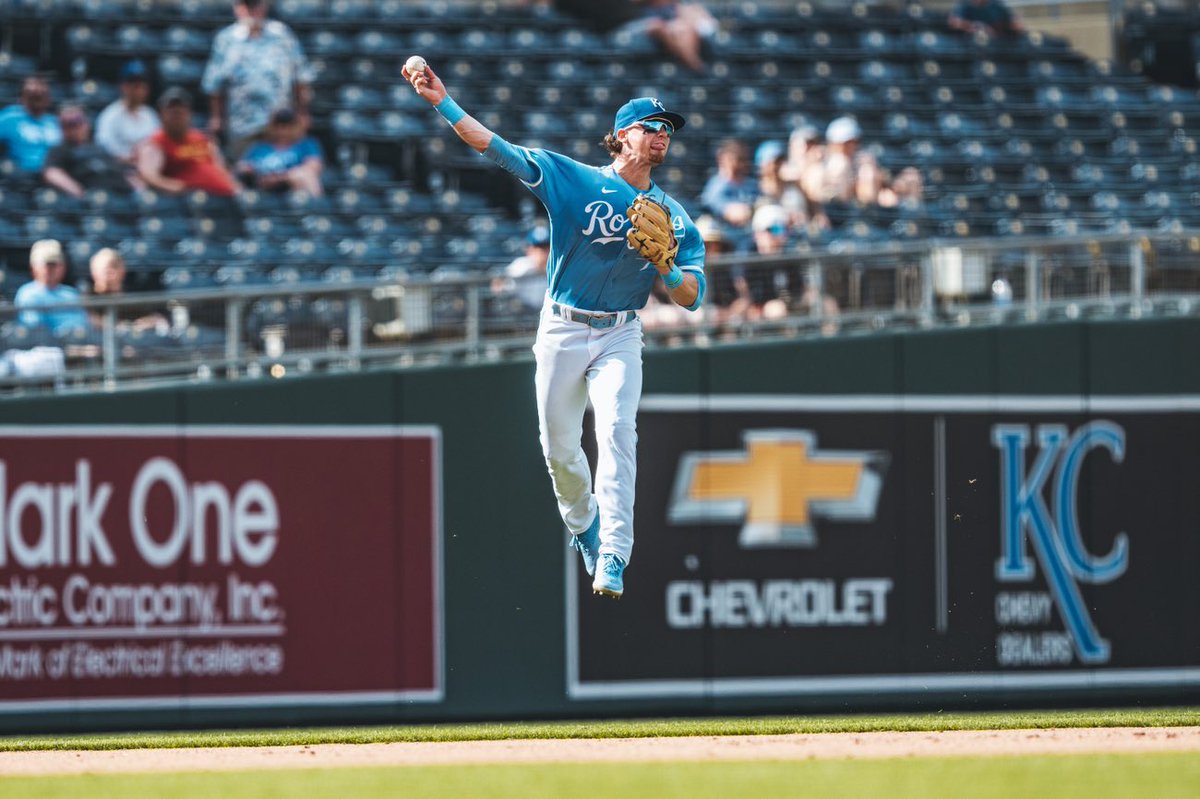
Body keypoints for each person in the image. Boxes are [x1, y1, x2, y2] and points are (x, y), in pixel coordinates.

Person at [403, 62, 706, 598]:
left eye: (668, 129)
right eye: (651, 125)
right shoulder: (574, 178)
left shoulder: (675, 217)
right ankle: (584, 529)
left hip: (620, 332)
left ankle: (614, 551)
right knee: (559, 449)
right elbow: (495, 148)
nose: (662, 134)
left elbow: (692, 298)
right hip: (563, 328)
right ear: (621, 136)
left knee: (616, 431)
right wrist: (442, 102)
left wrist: (668, 268)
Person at [201, 0, 314, 159]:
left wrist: (303, 112)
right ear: (237, 8)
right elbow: (214, 84)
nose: (251, 10)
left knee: (279, 170)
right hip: (242, 125)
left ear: (264, 6)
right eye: (246, 5)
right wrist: (217, 117)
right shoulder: (226, 38)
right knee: (246, 172)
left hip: (279, 124)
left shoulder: (282, 35)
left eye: (256, 5)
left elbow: (301, 77)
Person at [138, 87, 238, 197]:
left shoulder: (203, 139)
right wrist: (173, 186)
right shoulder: (157, 142)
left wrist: (234, 186)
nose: (176, 113)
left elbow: (220, 168)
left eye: (180, 110)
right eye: (171, 110)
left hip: (226, 199)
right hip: (193, 203)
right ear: (161, 114)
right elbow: (148, 174)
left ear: (189, 113)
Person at [42, 105, 141, 198]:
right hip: (94, 199)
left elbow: (120, 169)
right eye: (67, 124)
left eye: (77, 121)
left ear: (86, 124)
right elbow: (52, 174)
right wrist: (79, 193)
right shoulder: (59, 150)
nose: (74, 128)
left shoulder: (99, 148)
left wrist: (139, 189)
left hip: (122, 195)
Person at [235, 107, 323, 195]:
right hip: (263, 191)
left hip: (295, 190)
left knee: (303, 176)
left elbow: (313, 166)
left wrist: (282, 178)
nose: (283, 130)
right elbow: (242, 167)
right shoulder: (260, 147)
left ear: (296, 126)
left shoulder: (306, 144)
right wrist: (253, 171)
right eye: (279, 126)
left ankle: (315, 208)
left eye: (288, 126)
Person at [14, 239, 89, 335]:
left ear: (63, 267)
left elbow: (84, 325)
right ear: (33, 268)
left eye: (55, 265)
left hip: (79, 345)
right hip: (43, 348)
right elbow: (36, 331)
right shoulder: (28, 294)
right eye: (47, 265)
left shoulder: (71, 293)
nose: (50, 270)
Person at [86, 248, 169, 332]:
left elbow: (155, 318)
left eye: (114, 267)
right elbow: (91, 322)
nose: (109, 274)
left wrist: (145, 323)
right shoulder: (89, 297)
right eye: (103, 271)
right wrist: (120, 327)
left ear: (122, 270)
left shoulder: (132, 296)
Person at [94, 60, 160, 164]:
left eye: (143, 86)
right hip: (120, 169)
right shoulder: (110, 115)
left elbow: (157, 144)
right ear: (124, 86)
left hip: (147, 167)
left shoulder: (150, 114)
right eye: (135, 86)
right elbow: (104, 149)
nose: (140, 91)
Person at [699, 138, 757, 249]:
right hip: (726, 243)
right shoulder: (716, 186)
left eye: (744, 159)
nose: (742, 164)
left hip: (751, 241)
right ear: (723, 158)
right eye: (738, 159)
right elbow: (735, 214)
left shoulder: (752, 185)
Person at [0, 76, 61, 175]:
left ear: (49, 98)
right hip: (19, 176)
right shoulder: (8, 118)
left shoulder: (55, 122)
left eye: (42, 95)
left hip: (56, 174)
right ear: (22, 97)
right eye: (33, 95)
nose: (38, 97)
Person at [494, 225, 552, 312]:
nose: (541, 252)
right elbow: (498, 281)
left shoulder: (556, 268)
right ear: (529, 249)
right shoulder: (521, 265)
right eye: (537, 248)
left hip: (548, 314)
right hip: (522, 317)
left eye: (545, 248)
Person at [948, 0, 1025, 37]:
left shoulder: (997, 5)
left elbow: (1016, 24)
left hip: (995, 46)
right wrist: (976, 26)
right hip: (969, 47)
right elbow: (954, 22)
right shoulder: (964, 4)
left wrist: (1014, 24)